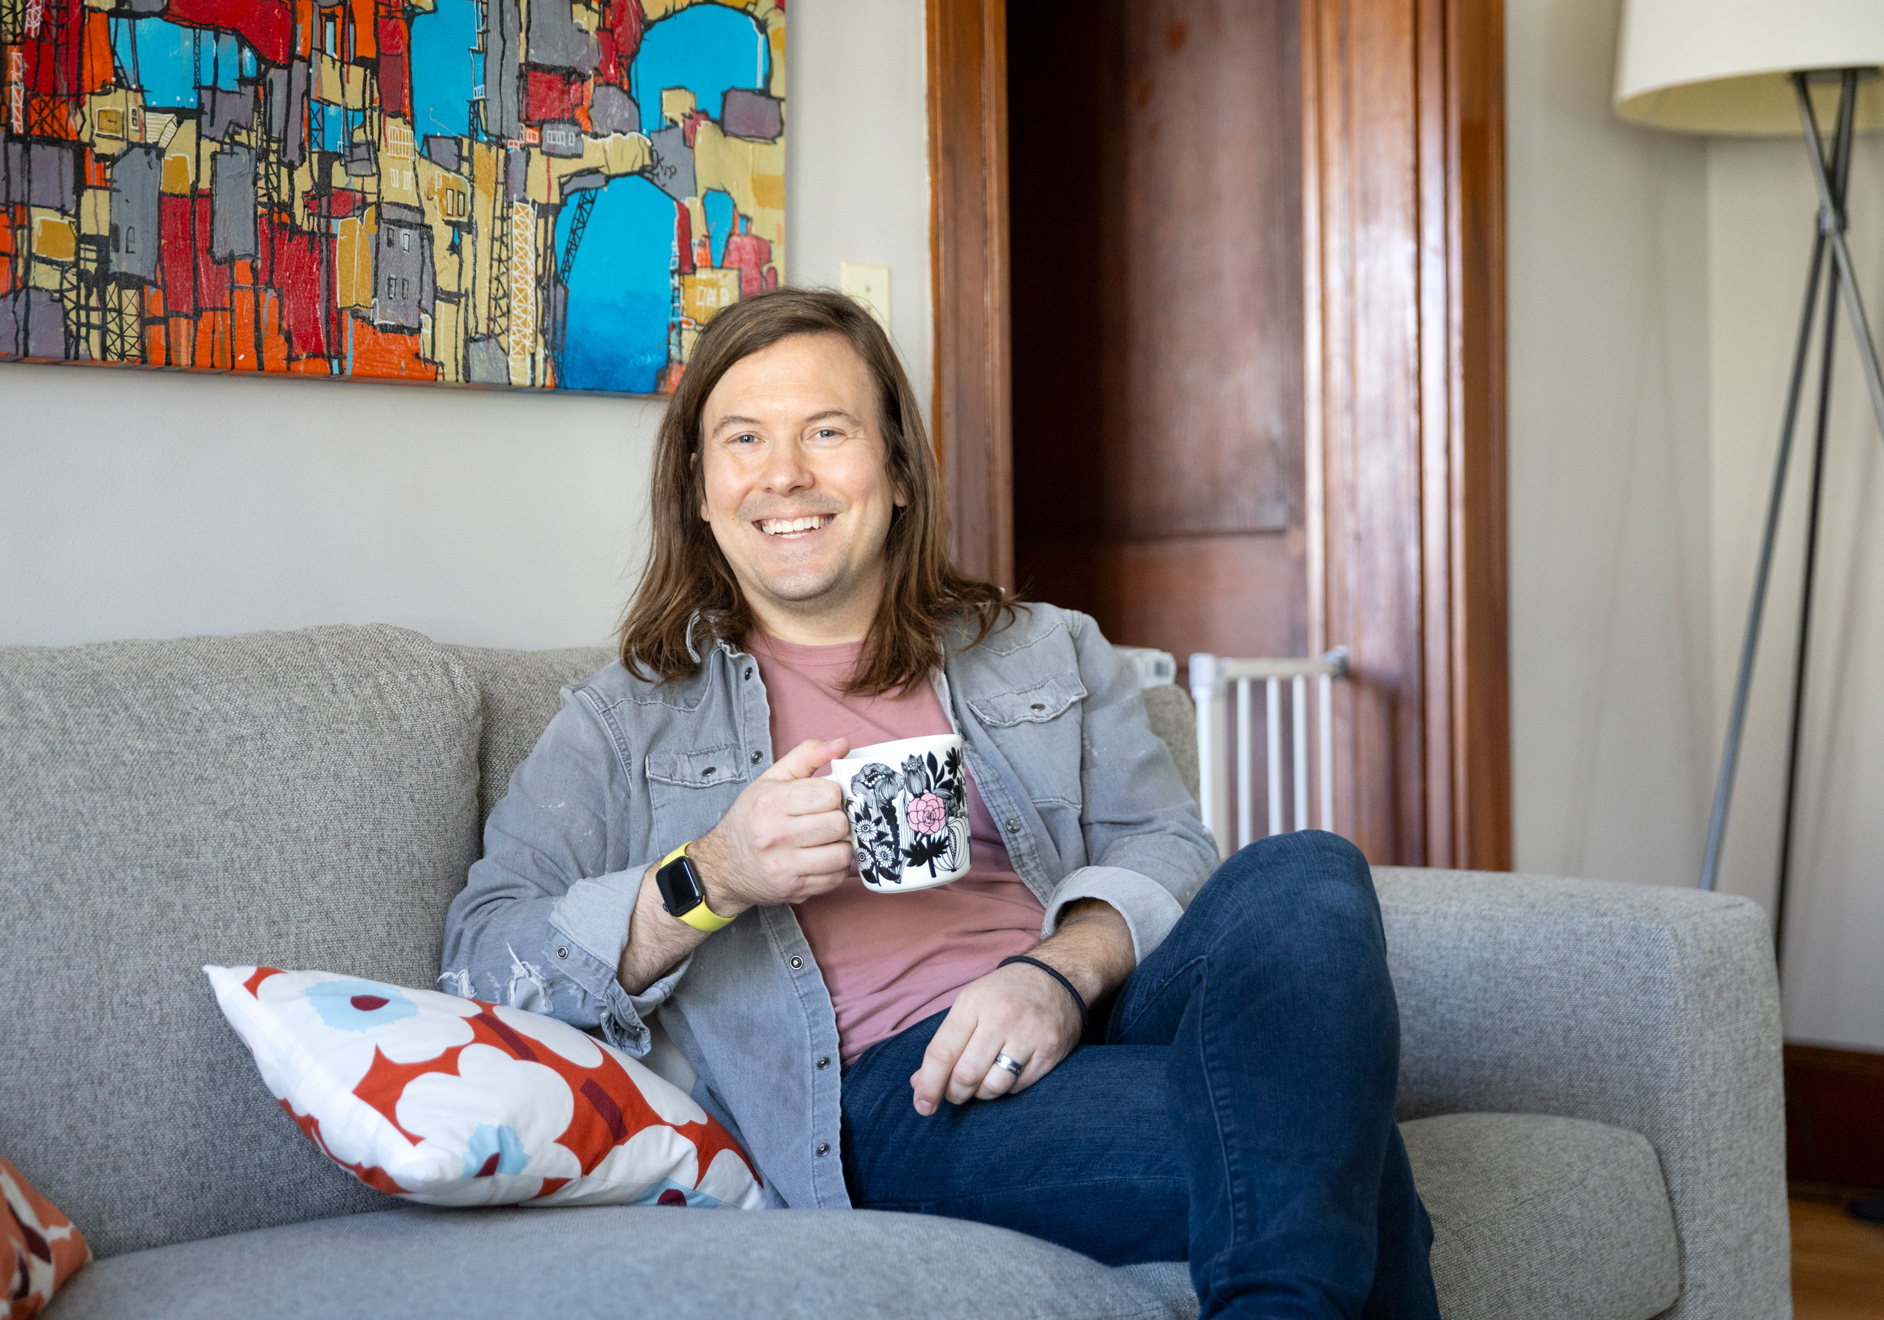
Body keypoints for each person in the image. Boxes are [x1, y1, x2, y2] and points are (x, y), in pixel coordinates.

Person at [442, 288, 1438, 1318]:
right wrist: (714, 877)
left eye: (827, 433)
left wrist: (1054, 975)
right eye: (743, 440)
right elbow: (482, 960)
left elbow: (1167, 846)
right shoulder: (624, 720)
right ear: (699, 488)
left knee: (1309, 869)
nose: (785, 474)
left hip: (1100, 1017)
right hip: (905, 1090)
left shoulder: (1044, 649)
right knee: (1350, 1159)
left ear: (899, 472)